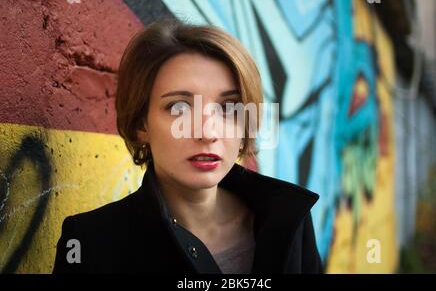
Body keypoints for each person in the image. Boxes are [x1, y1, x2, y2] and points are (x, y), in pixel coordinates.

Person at [52, 19, 322, 274]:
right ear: (140, 124)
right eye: (179, 108)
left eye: (229, 108)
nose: (207, 132)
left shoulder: (290, 219)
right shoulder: (91, 243)